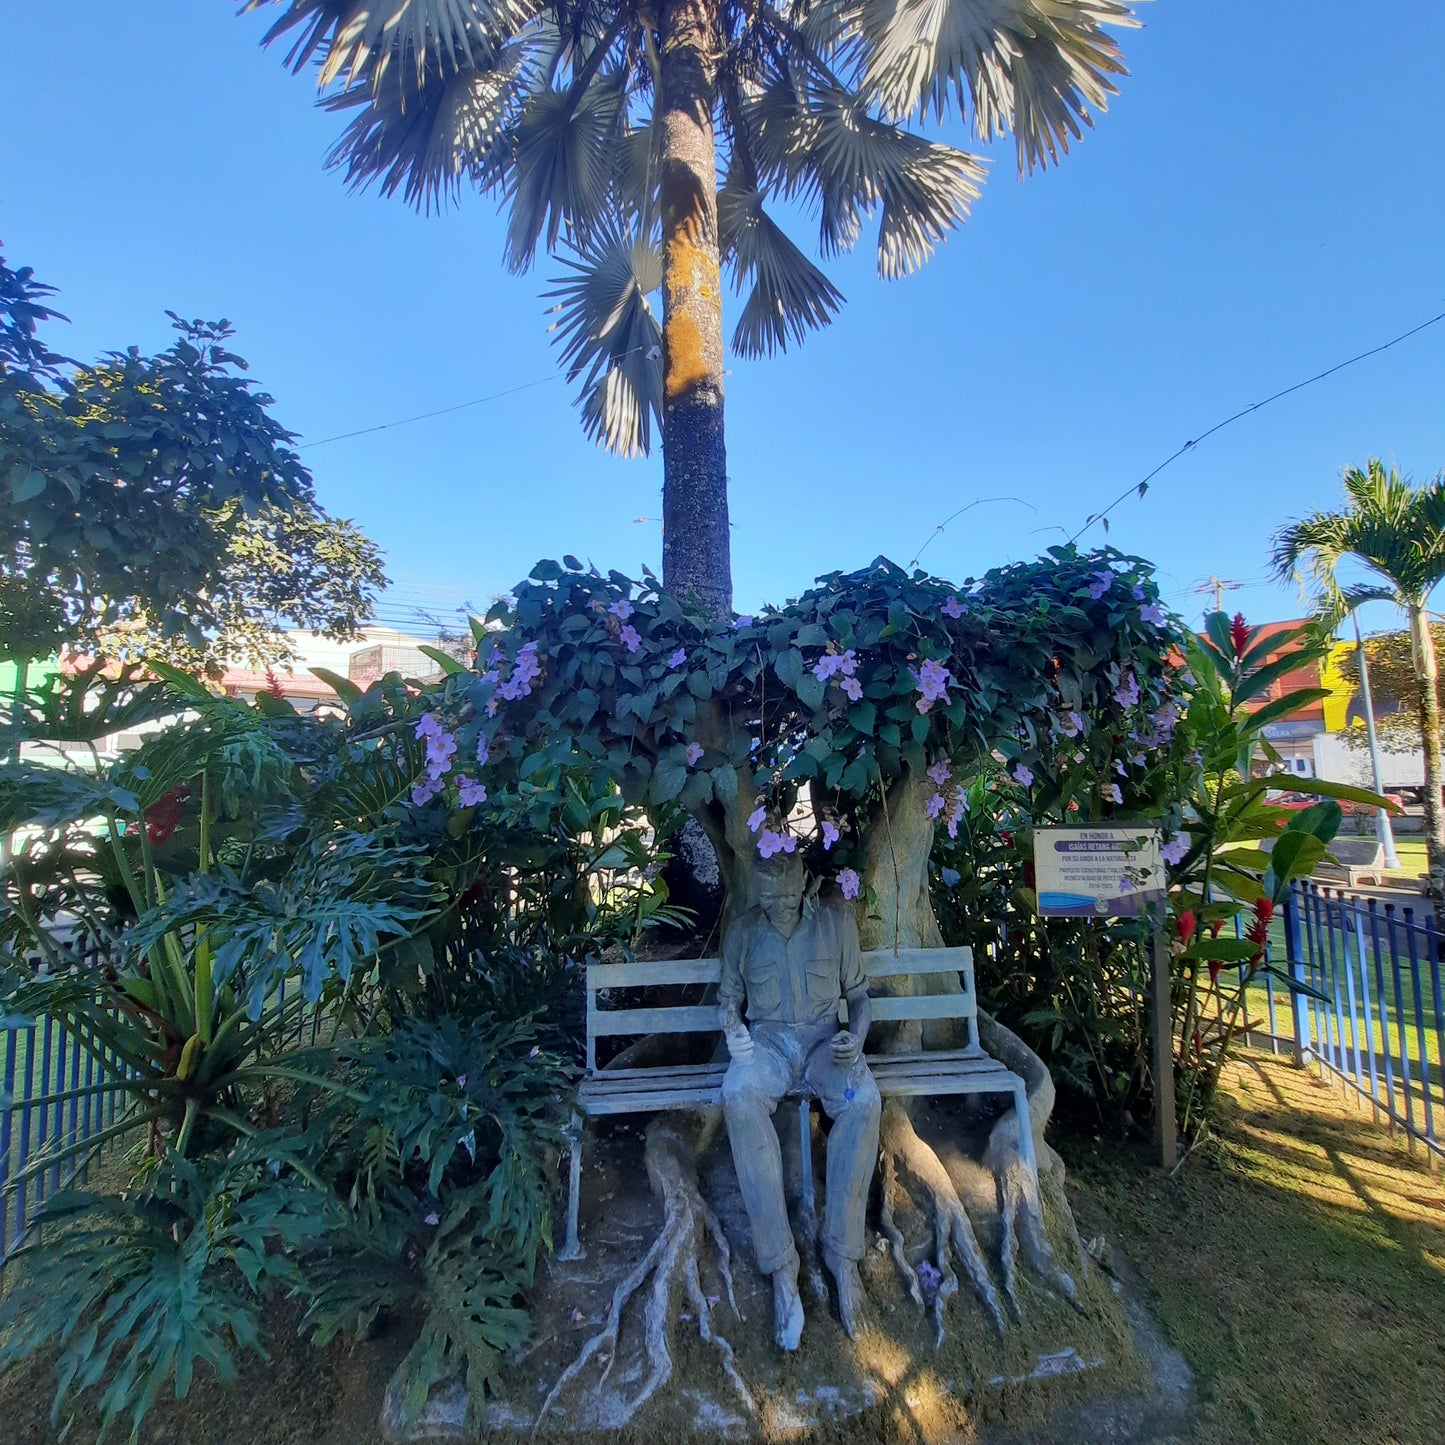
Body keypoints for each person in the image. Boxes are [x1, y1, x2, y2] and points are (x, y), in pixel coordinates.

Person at [718, 850, 880, 1348]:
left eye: (788, 894)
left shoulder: (835, 923)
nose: (780, 905)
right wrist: (734, 1034)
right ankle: (781, 1266)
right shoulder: (743, 932)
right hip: (767, 1046)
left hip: (823, 1043)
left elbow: (858, 995)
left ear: (804, 882)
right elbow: (728, 1002)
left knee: (863, 1100)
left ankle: (842, 1254)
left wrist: (858, 1035)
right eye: (769, 898)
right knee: (738, 1093)